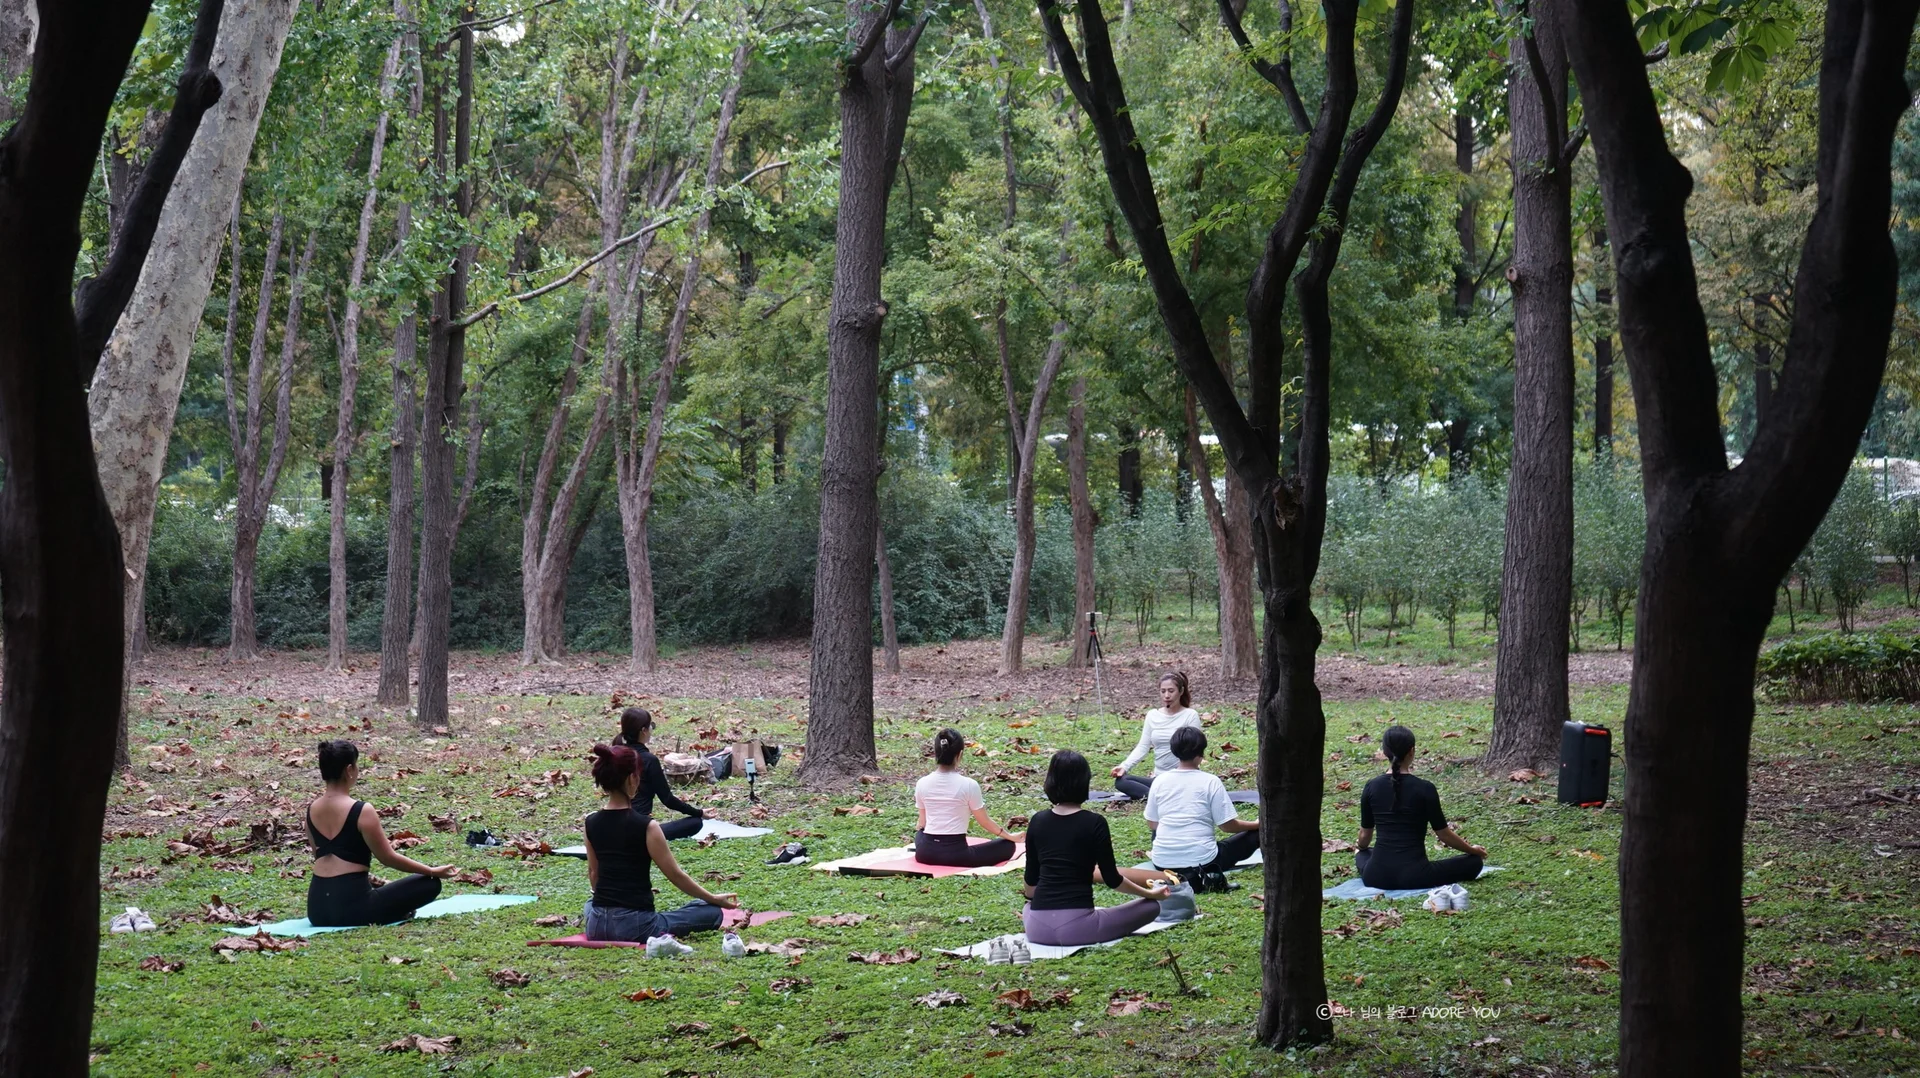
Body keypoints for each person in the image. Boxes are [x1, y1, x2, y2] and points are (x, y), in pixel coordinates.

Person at [582, 743, 740, 942]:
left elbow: (594, 874)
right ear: (632, 779)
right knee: (710, 911)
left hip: (596, 926)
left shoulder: (590, 822)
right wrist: (713, 898)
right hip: (636, 926)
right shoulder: (647, 826)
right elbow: (675, 875)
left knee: (590, 905)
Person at [1022, 750, 1173, 947]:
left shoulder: (1037, 820)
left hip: (1036, 928)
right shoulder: (1094, 823)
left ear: (1050, 781)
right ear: (1084, 782)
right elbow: (1112, 879)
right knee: (1151, 907)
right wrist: (1150, 894)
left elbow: (1030, 883)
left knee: (1028, 907)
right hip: (1077, 928)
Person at [306, 740, 457, 927]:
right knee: (430, 884)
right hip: (354, 910)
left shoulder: (311, 810)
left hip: (317, 911)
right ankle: (395, 912)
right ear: (349, 769)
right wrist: (432, 871)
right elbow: (388, 858)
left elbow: (319, 857)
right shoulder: (361, 810)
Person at [1354, 725, 1487, 890]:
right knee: (1474, 862)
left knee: (1363, 853)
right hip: (1416, 876)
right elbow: (1444, 835)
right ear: (1412, 751)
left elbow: (1364, 836)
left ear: (1384, 752)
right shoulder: (1425, 788)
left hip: (1376, 876)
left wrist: (1361, 848)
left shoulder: (1371, 786)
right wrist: (1472, 850)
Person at [1144, 727, 1260, 893]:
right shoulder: (1210, 781)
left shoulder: (1159, 781)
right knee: (1256, 834)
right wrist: (1256, 824)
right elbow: (1227, 826)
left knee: (1160, 829)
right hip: (1205, 861)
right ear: (1201, 753)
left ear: (1174, 751)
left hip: (1162, 863)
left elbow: (1152, 823)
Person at [914, 728, 1024, 867]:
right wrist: (1010, 837)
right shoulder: (969, 785)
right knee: (1007, 846)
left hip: (925, 854)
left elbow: (922, 823)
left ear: (936, 753)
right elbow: (984, 822)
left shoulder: (922, 783)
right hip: (957, 856)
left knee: (920, 834)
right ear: (960, 754)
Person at [611, 706, 716, 841]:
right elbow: (667, 799)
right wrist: (699, 813)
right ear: (643, 730)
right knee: (695, 822)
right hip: (638, 829)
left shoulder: (614, 755)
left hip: (613, 825)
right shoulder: (648, 760)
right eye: (651, 725)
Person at [1110, 671, 1202, 799]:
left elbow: (1195, 750)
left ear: (1181, 691)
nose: (1167, 695)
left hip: (1184, 777)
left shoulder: (1190, 715)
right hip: (1160, 779)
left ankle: (1161, 796)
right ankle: (1161, 797)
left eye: (1171, 691)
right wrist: (1124, 767)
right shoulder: (1152, 715)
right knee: (1122, 781)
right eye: (1163, 691)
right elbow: (1143, 746)